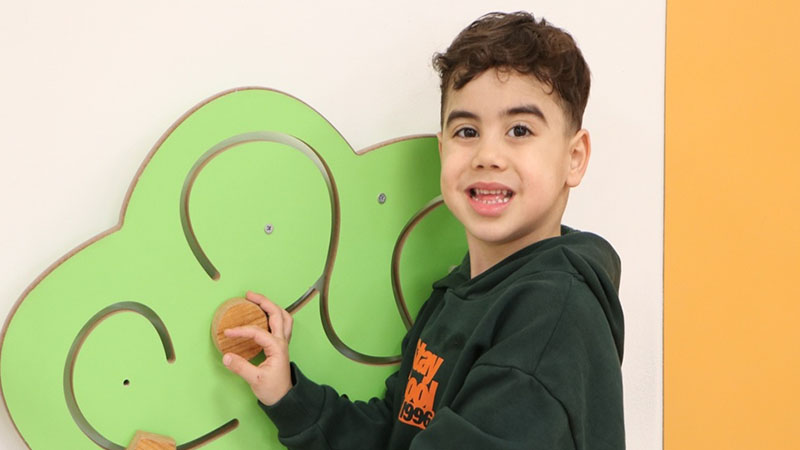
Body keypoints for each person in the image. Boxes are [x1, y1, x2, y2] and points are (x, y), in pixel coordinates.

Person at [222, 11, 625, 449]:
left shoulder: (552, 318)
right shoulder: (459, 292)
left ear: (574, 158)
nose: (487, 155)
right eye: (467, 131)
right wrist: (288, 396)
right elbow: (396, 434)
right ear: (442, 149)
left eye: (519, 129)